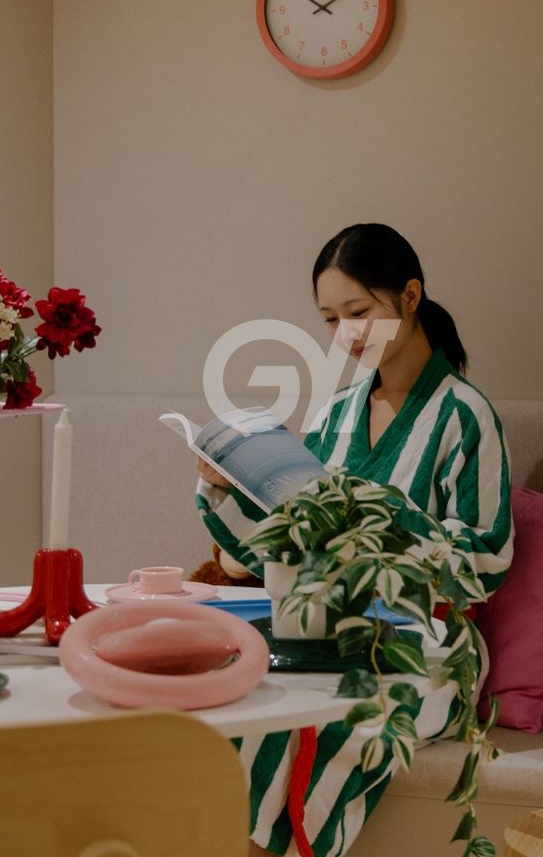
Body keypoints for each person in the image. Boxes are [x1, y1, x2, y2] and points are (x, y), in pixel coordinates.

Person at [193, 223, 513, 857]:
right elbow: (278, 548)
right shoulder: (333, 415)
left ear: (410, 296)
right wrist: (228, 487)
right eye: (331, 319)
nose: (346, 334)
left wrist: (378, 513)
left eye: (360, 312)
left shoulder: (464, 414)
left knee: (340, 721)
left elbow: (482, 559)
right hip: (322, 627)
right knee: (241, 706)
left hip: (430, 644)